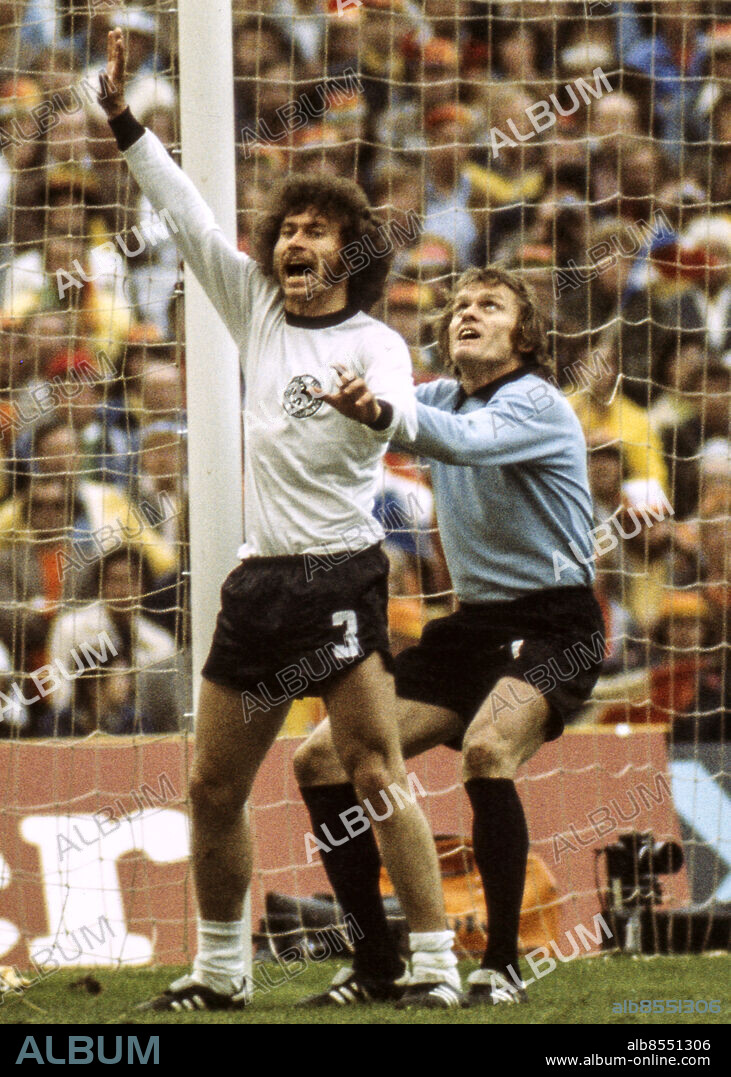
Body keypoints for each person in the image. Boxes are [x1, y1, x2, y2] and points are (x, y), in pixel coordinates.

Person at [98, 27, 462, 1011]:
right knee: (212, 787)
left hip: (339, 573)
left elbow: (407, 415)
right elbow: (181, 213)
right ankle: (221, 970)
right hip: (260, 582)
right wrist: (125, 120)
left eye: (314, 228)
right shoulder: (253, 307)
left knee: (372, 769)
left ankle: (432, 962)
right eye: (286, 226)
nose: (294, 239)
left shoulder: (374, 341)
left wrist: (370, 414)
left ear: (348, 250)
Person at [293, 265, 606, 1006]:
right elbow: (388, 412)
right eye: (459, 304)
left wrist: (377, 413)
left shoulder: (534, 401)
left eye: (489, 305)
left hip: (554, 622)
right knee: (322, 759)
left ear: (522, 333)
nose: (468, 312)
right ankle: (374, 963)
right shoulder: (434, 396)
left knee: (487, 748)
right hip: (472, 628)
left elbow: (459, 441)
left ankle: (500, 964)